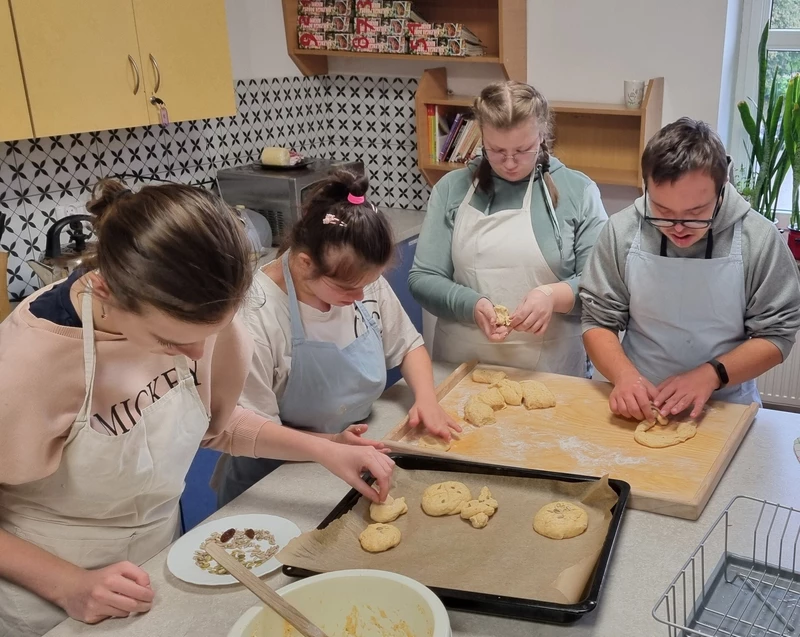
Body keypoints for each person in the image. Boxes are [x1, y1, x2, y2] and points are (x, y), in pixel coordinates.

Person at [0, 180, 394, 637]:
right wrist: (68, 584)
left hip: (156, 562)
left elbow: (217, 424)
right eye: (170, 342)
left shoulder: (205, 313)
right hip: (49, 591)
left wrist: (326, 449)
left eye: (208, 335)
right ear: (107, 291)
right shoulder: (26, 364)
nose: (194, 355)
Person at [215, 170, 459, 507]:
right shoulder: (255, 316)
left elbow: (407, 345)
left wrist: (427, 399)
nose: (360, 296)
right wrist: (330, 443)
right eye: (347, 289)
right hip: (272, 480)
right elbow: (252, 429)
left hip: (346, 457)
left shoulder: (355, 275)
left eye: (367, 285)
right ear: (305, 264)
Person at [580, 117, 800, 422]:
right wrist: (624, 376)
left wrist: (712, 374)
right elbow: (597, 321)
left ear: (722, 188)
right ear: (647, 187)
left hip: (727, 406)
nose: (678, 227)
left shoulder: (758, 240)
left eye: (695, 213)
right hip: (639, 402)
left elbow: (776, 336)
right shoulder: (622, 231)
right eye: (662, 211)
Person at [408, 80, 608, 376]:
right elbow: (423, 278)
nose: (510, 163)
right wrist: (471, 304)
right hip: (461, 368)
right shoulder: (452, 189)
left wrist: (552, 296)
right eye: (497, 150)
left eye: (523, 150)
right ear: (481, 137)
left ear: (542, 136)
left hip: (552, 370)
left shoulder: (579, 192)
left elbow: (600, 287)